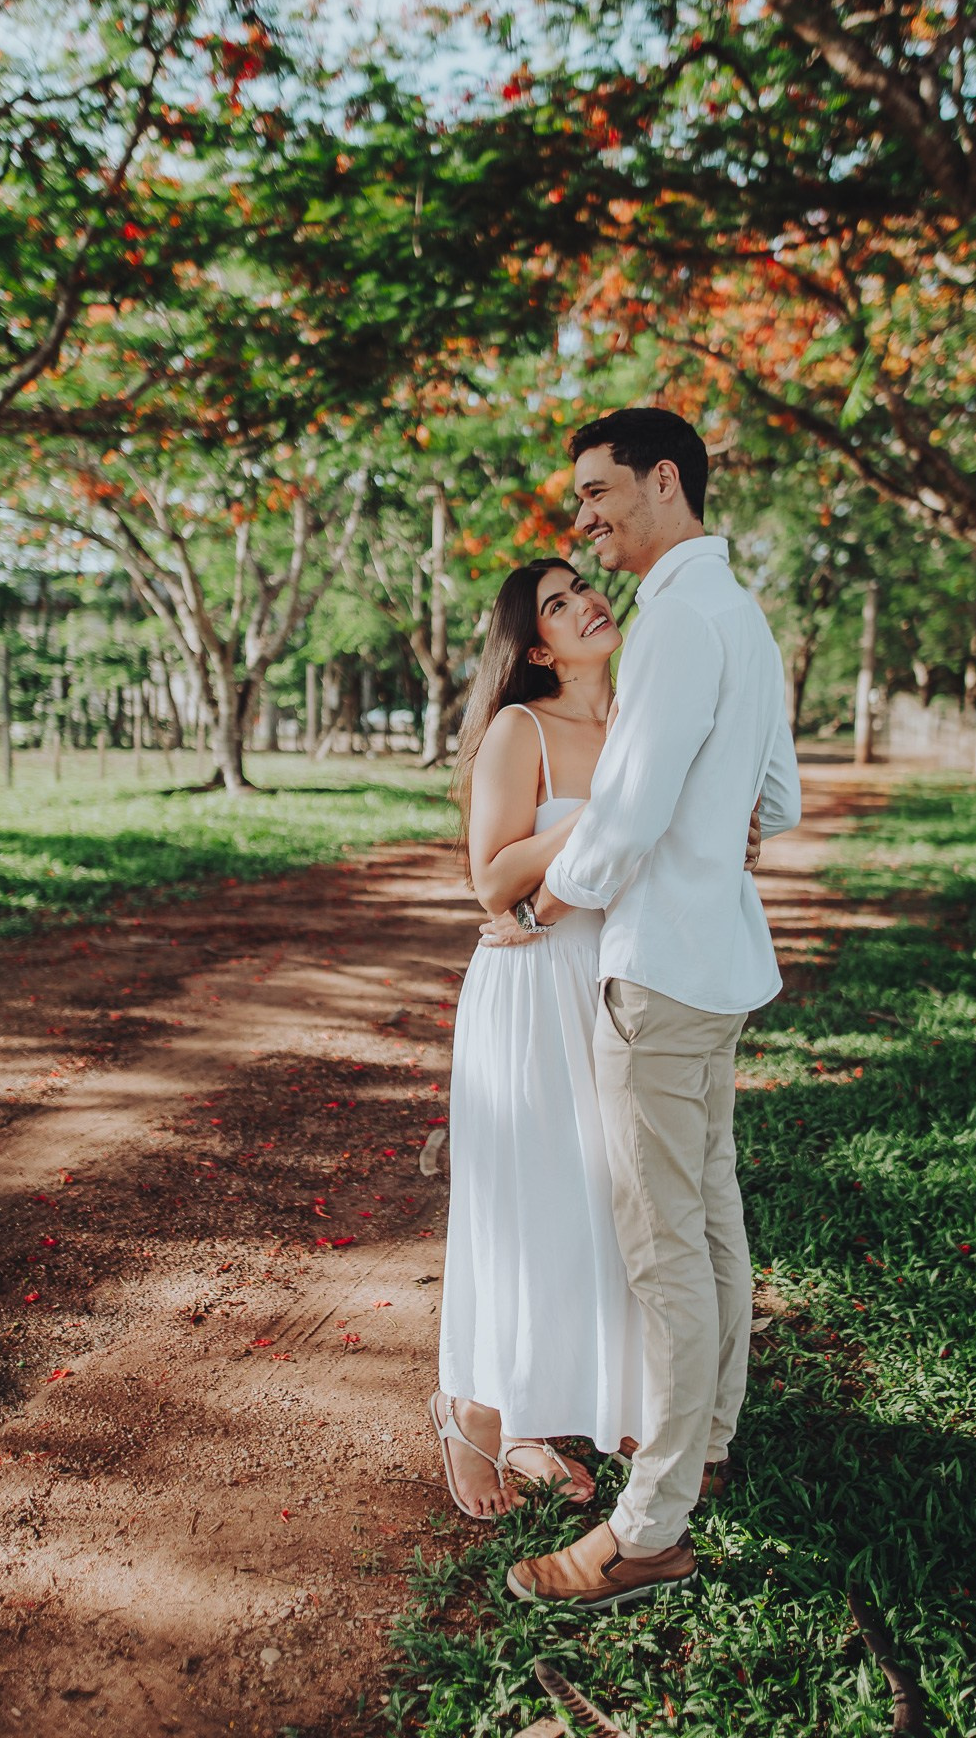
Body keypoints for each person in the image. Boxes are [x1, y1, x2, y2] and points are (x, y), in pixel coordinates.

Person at [497, 407, 802, 1611]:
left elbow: (619, 819)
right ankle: (707, 1444)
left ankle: (649, 1527)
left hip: (659, 977)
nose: (583, 518)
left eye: (596, 492)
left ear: (659, 481)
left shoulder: (676, 621)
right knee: (710, 1217)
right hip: (715, 965)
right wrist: (706, 835)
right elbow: (770, 800)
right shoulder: (740, 613)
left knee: (664, 1248)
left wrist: (544, 904)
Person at [430, 558, 643, 1520]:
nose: (586, 603)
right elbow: (491, 880)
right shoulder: (523, 729)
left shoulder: (641, 714)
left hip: (620, 980)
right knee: (525, 1204)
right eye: (557, 604)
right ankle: (473, 1414)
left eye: (584, 589)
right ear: (533, 647)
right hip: (531, 980)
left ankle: (544, 1415)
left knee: (598, 1200)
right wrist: (601, 814)